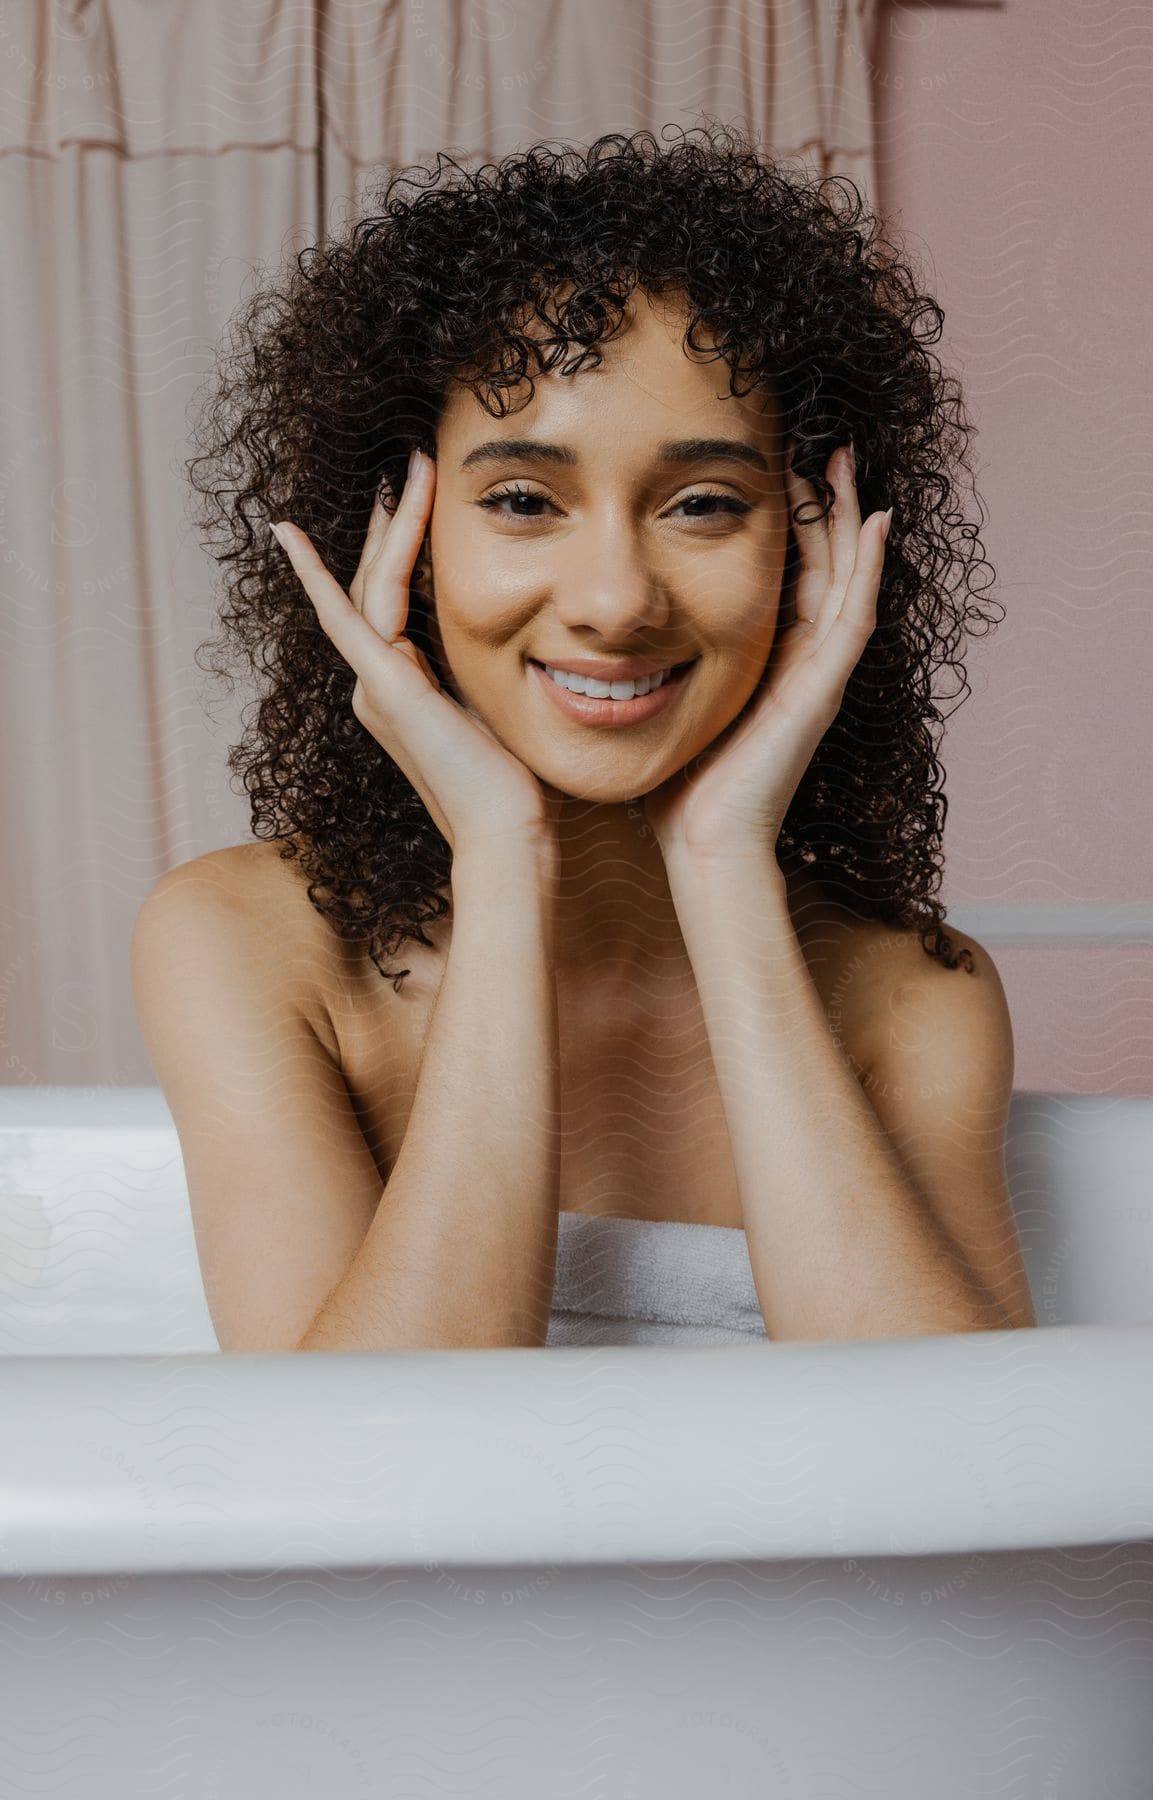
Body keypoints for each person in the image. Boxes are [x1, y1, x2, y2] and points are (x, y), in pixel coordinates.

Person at [132, 125, 1036, 1352]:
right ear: (391, 535)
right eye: (521, 501)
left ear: (811, 551)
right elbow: (368, 1466)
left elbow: (966, 1473)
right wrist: (499, 858)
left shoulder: (918, 997)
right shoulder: (246, 944)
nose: (615, 600)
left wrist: (724, 866)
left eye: (704, 504)